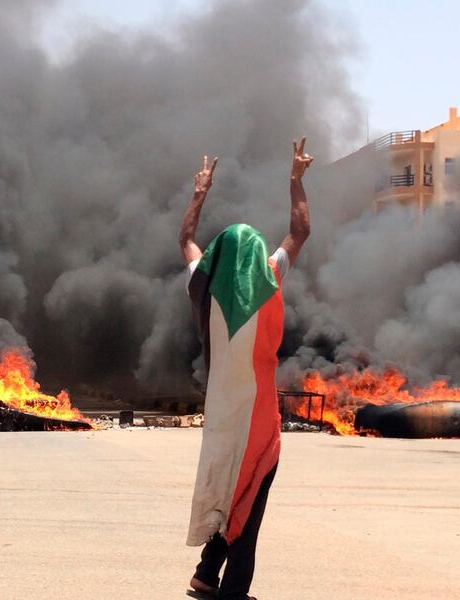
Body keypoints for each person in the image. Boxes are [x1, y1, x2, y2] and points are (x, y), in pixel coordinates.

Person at [179, 139, 313, 600]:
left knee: (228, 491)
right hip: (257, 422)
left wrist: (199, 194)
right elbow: (299, 231)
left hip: (220, 414)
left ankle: (205, 573)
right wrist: (295, 180)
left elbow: (186, 242)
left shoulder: (203, 285)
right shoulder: (270, 278)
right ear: (256, 257)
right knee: (250, 500)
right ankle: (234, 591)